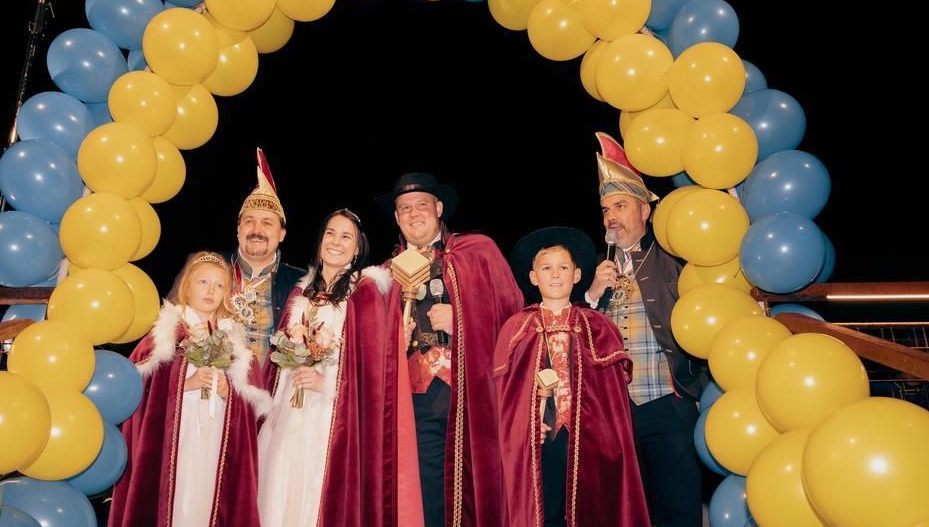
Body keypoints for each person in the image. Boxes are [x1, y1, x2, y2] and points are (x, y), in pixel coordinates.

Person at [376, 173, 524, 527]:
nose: (414, 213)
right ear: (396, 217)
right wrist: (391, 339)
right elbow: (368, 343)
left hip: (474, 391)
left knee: (479, 485)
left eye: (422, 205)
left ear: (439, 208)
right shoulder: (384, 273)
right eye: (405, 208)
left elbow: (513, 316)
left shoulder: (478, 251)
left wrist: (463, 320)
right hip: (417, 399)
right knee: (427, 492)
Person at [583, 133, 709, 527]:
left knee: (677, 507)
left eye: (620, 206)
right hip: (616, 410)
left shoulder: (675, 257)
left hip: (669, 403)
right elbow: (578, 336)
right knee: (629, 510)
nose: (611, 217)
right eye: (606, 209)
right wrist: (591, 295)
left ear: (645, 211)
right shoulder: (595, 268)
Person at [257, 208, 411, 527]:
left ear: (357, 249)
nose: (336, 242)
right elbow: (279, 355)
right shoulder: (301, 294)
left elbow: (371, 366)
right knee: (279, 486)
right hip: (290, 409)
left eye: (346, 237)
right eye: (330, 233)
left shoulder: (362, 293)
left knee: (314, 492)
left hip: (330, 415)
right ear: (320, 241)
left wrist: (326, 382)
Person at [495, 227, 649, 527]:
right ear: (533, 277)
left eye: (563, 268)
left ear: (577, 275)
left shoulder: (597, 327)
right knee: (545, 512)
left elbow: (612, 403)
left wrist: (605, 437)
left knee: (591, 509)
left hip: (589, 441)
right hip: (538, 439)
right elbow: (505, 397)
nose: (555, 275)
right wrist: (526, 424)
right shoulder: (516, 328)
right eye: (546, 268)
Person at [111, 251, 273, 527]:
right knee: (179, 497)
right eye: (203, 282)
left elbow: (252, 411)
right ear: (187, 287)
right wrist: (185, 385)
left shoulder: (236, 344)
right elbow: (136, 391)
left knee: (207, 497)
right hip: (178, 433)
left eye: (219, 285)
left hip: (215, 437)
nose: (211, 291)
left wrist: (229, 393)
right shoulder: (164, 336)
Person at [227, 148, 305, 366]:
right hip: (215, 385)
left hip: (272, 387)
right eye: (249, 221)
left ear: (282, 234)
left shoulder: (302, 283)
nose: (256, 230)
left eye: (267, 223)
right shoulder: (207, 270)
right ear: (238, 229)